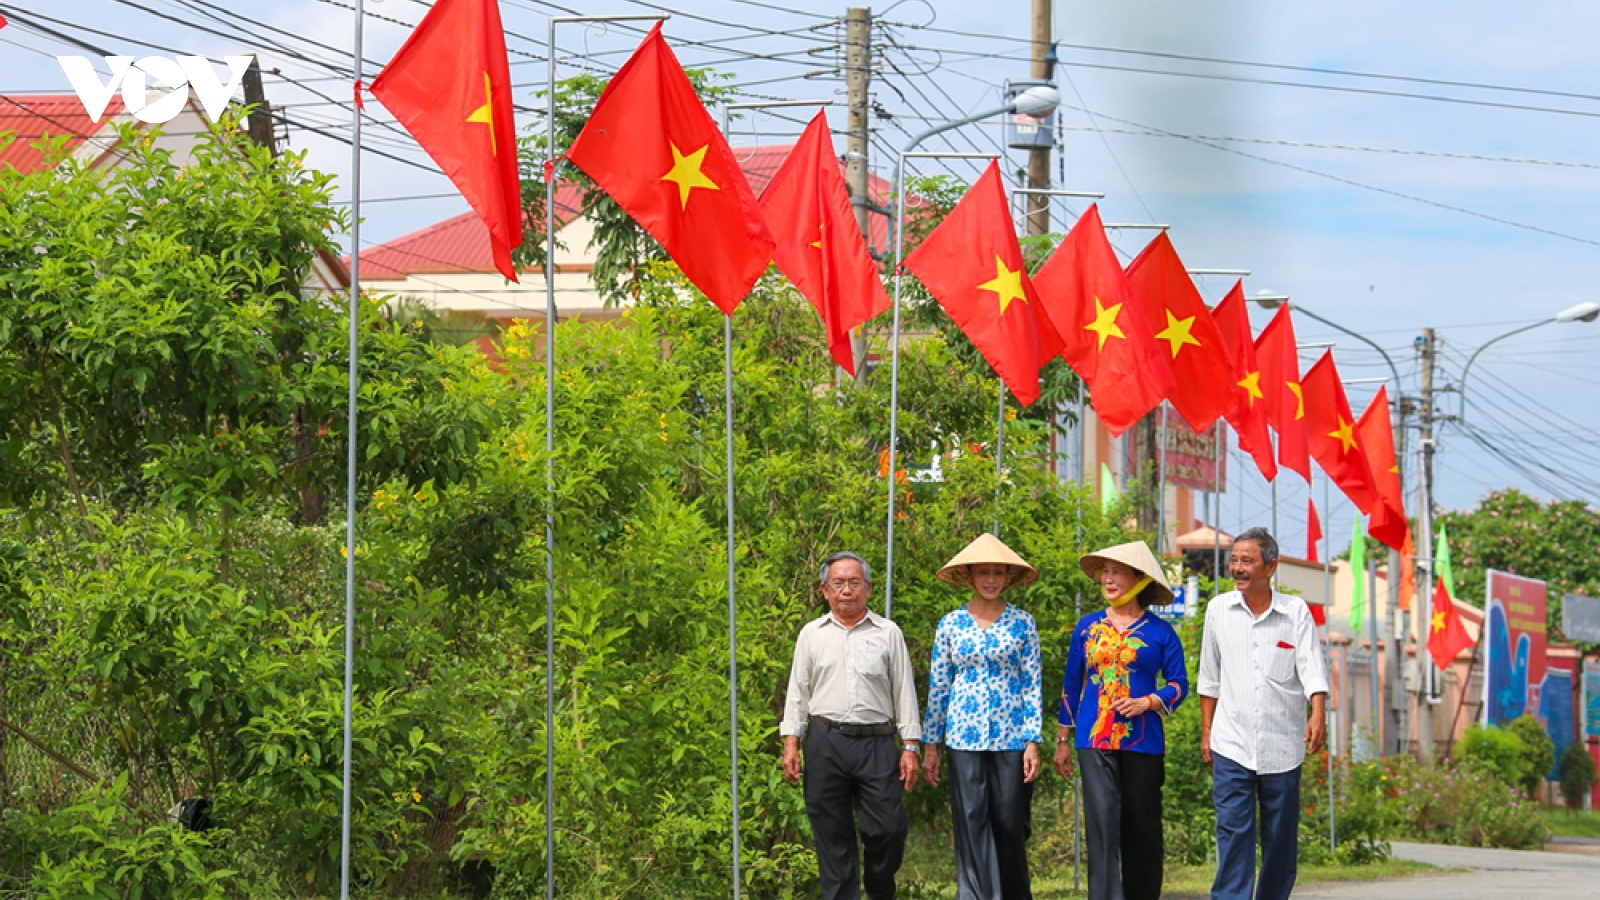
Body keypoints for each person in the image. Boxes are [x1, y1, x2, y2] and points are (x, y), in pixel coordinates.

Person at [781, 551, 922, 900]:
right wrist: (791, 742)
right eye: (839, 583)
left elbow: (904, 690)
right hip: (825, 741)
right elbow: (798, 689)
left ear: (869, 588)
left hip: (877, 744)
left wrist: (910, 746)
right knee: (832, 834)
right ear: (825, 590)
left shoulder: (888, 633)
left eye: (854, 582)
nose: (847, 590)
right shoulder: (811, 634)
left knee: (888, 829)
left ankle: (879, 888)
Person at [1198, 527, 1329, 900]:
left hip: (1282, 745)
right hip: (1231, 744)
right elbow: (1210, 678)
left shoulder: (1295, 612)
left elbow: (1311, 668)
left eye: (1247, 561)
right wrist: (1207, 732)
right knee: (1233, 832)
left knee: (1280, 839)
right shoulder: (1218, 610)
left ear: (1271, 567)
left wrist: (1317, 714)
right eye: (1234, 560)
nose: (1238, 568)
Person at [1054, 540, 1189, 900]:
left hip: (1144, 740)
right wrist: (1062, 740)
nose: (1108, 580)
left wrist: (1148, 701)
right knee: (1101, 825)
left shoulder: (1161, 632)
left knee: (1141, 827)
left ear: (1139, 579)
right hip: (1092, 739)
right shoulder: (1087, 627)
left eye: (1118, 572)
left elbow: (1180, 685)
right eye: (1105, 572)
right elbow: (1072, 685)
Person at [921, 533, 1043, 900]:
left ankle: (1015, 893)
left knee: (1008, 820)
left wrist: (1032, 741)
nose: (991, 579)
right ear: (970, 576)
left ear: (1007, 577)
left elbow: (1032, 683)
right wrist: (930, 745)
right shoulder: (951, 624)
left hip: (1011, 736)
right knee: (970, 819)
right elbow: (939, 685)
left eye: (998, 573)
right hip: (962, 735)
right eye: (983, 572)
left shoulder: (1023, 623)